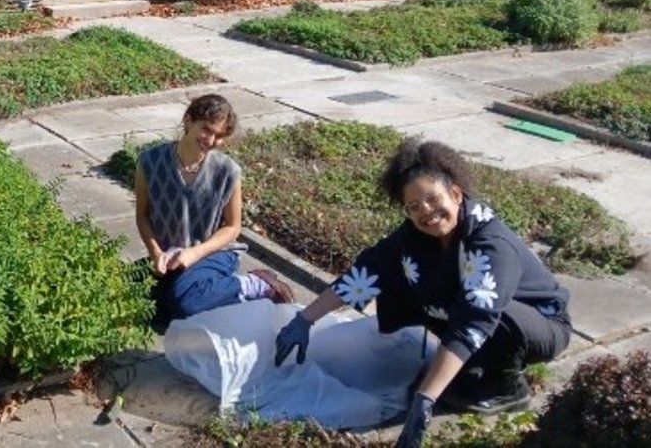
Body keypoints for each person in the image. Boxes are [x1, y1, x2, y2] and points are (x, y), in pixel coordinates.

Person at [273, 139, 571, 448]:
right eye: (414, 207)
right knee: (406, 278)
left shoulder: (490, 242)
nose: (426, 212)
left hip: (538, 324)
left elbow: (477, 319)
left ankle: (507, 387)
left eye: (433, 199)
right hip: (471, 316)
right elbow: (368, 271)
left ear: (456, 193)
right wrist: (305, 319)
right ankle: (472, 370)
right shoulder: (414, 235)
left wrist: (424, 399)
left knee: (482, 313)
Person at [135, 94, 293, 330]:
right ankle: (188, 294)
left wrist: (194, 253)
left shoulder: (227, 171)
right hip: (169, 256)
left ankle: (255, 284)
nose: (210, 140)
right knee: (127, 293)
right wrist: (155, 252)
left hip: (214, 252)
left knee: (185, 302)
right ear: (188, 121)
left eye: (219, 136)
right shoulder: (149, 161)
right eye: (206, 130)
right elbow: (142, 215)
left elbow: (232, 227)